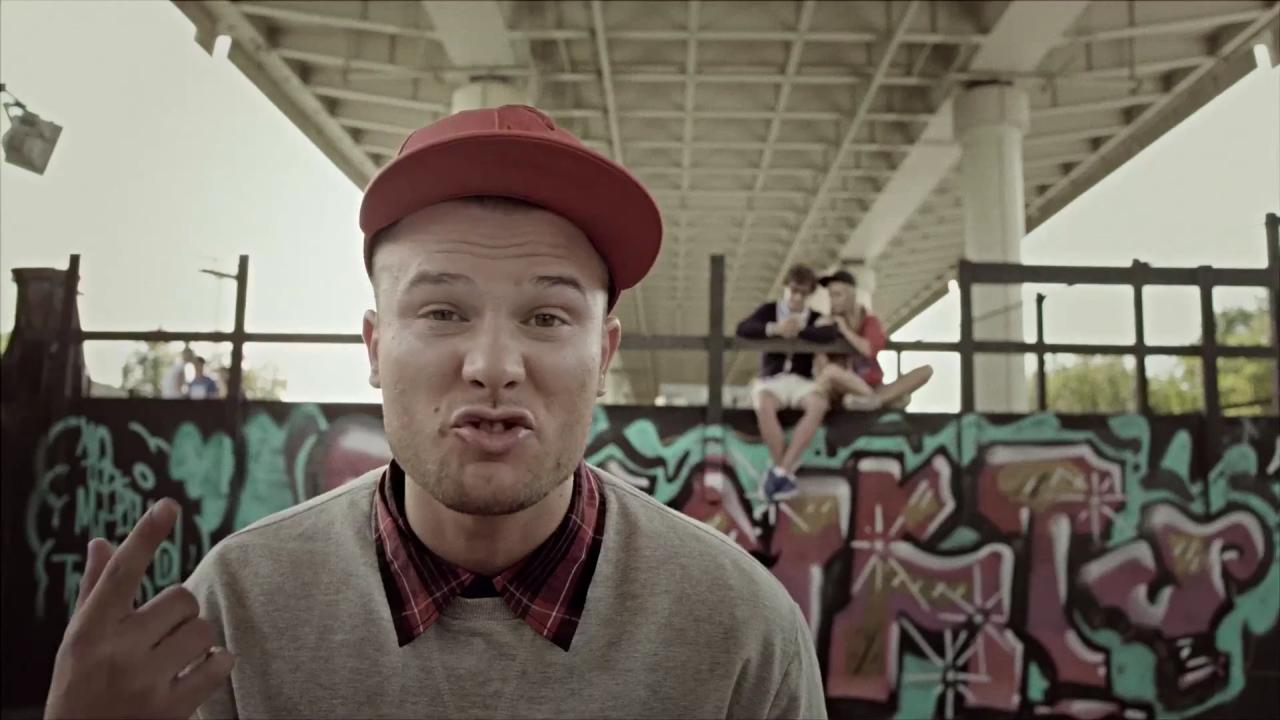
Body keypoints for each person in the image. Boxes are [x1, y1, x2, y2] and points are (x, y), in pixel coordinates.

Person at [43, 105, 826, 720]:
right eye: (443, 312)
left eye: (547, 318)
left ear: (605, 354)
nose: (493, 365)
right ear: (375, 347)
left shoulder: (740, 627)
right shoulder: (240, 607)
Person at [735, 264, 838, 503]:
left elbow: (830, 334)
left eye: (803, 293)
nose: (797, 297)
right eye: (793, 291)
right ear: (785, 288)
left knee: (819, 405)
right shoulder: (769, 310)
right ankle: (784, 471)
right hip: (771, 379)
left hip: (801, 381)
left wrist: (801, 330)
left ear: (809, 294)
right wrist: (775, 329)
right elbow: (743, 329)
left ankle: (780, 471)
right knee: (763, 403)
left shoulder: (813, 317)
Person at [814, 270, 933, 411]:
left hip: (874, 386)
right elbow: (821, 366)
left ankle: (875, 400)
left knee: (926, 370)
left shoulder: (870, 321)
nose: (833, 301)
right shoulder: (827, 323)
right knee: (831, 371)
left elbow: (868, 350)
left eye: (837, 295)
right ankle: (885, 400)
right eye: (831, 295)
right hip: (847, 387)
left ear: (852, 295)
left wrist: (845, 330)